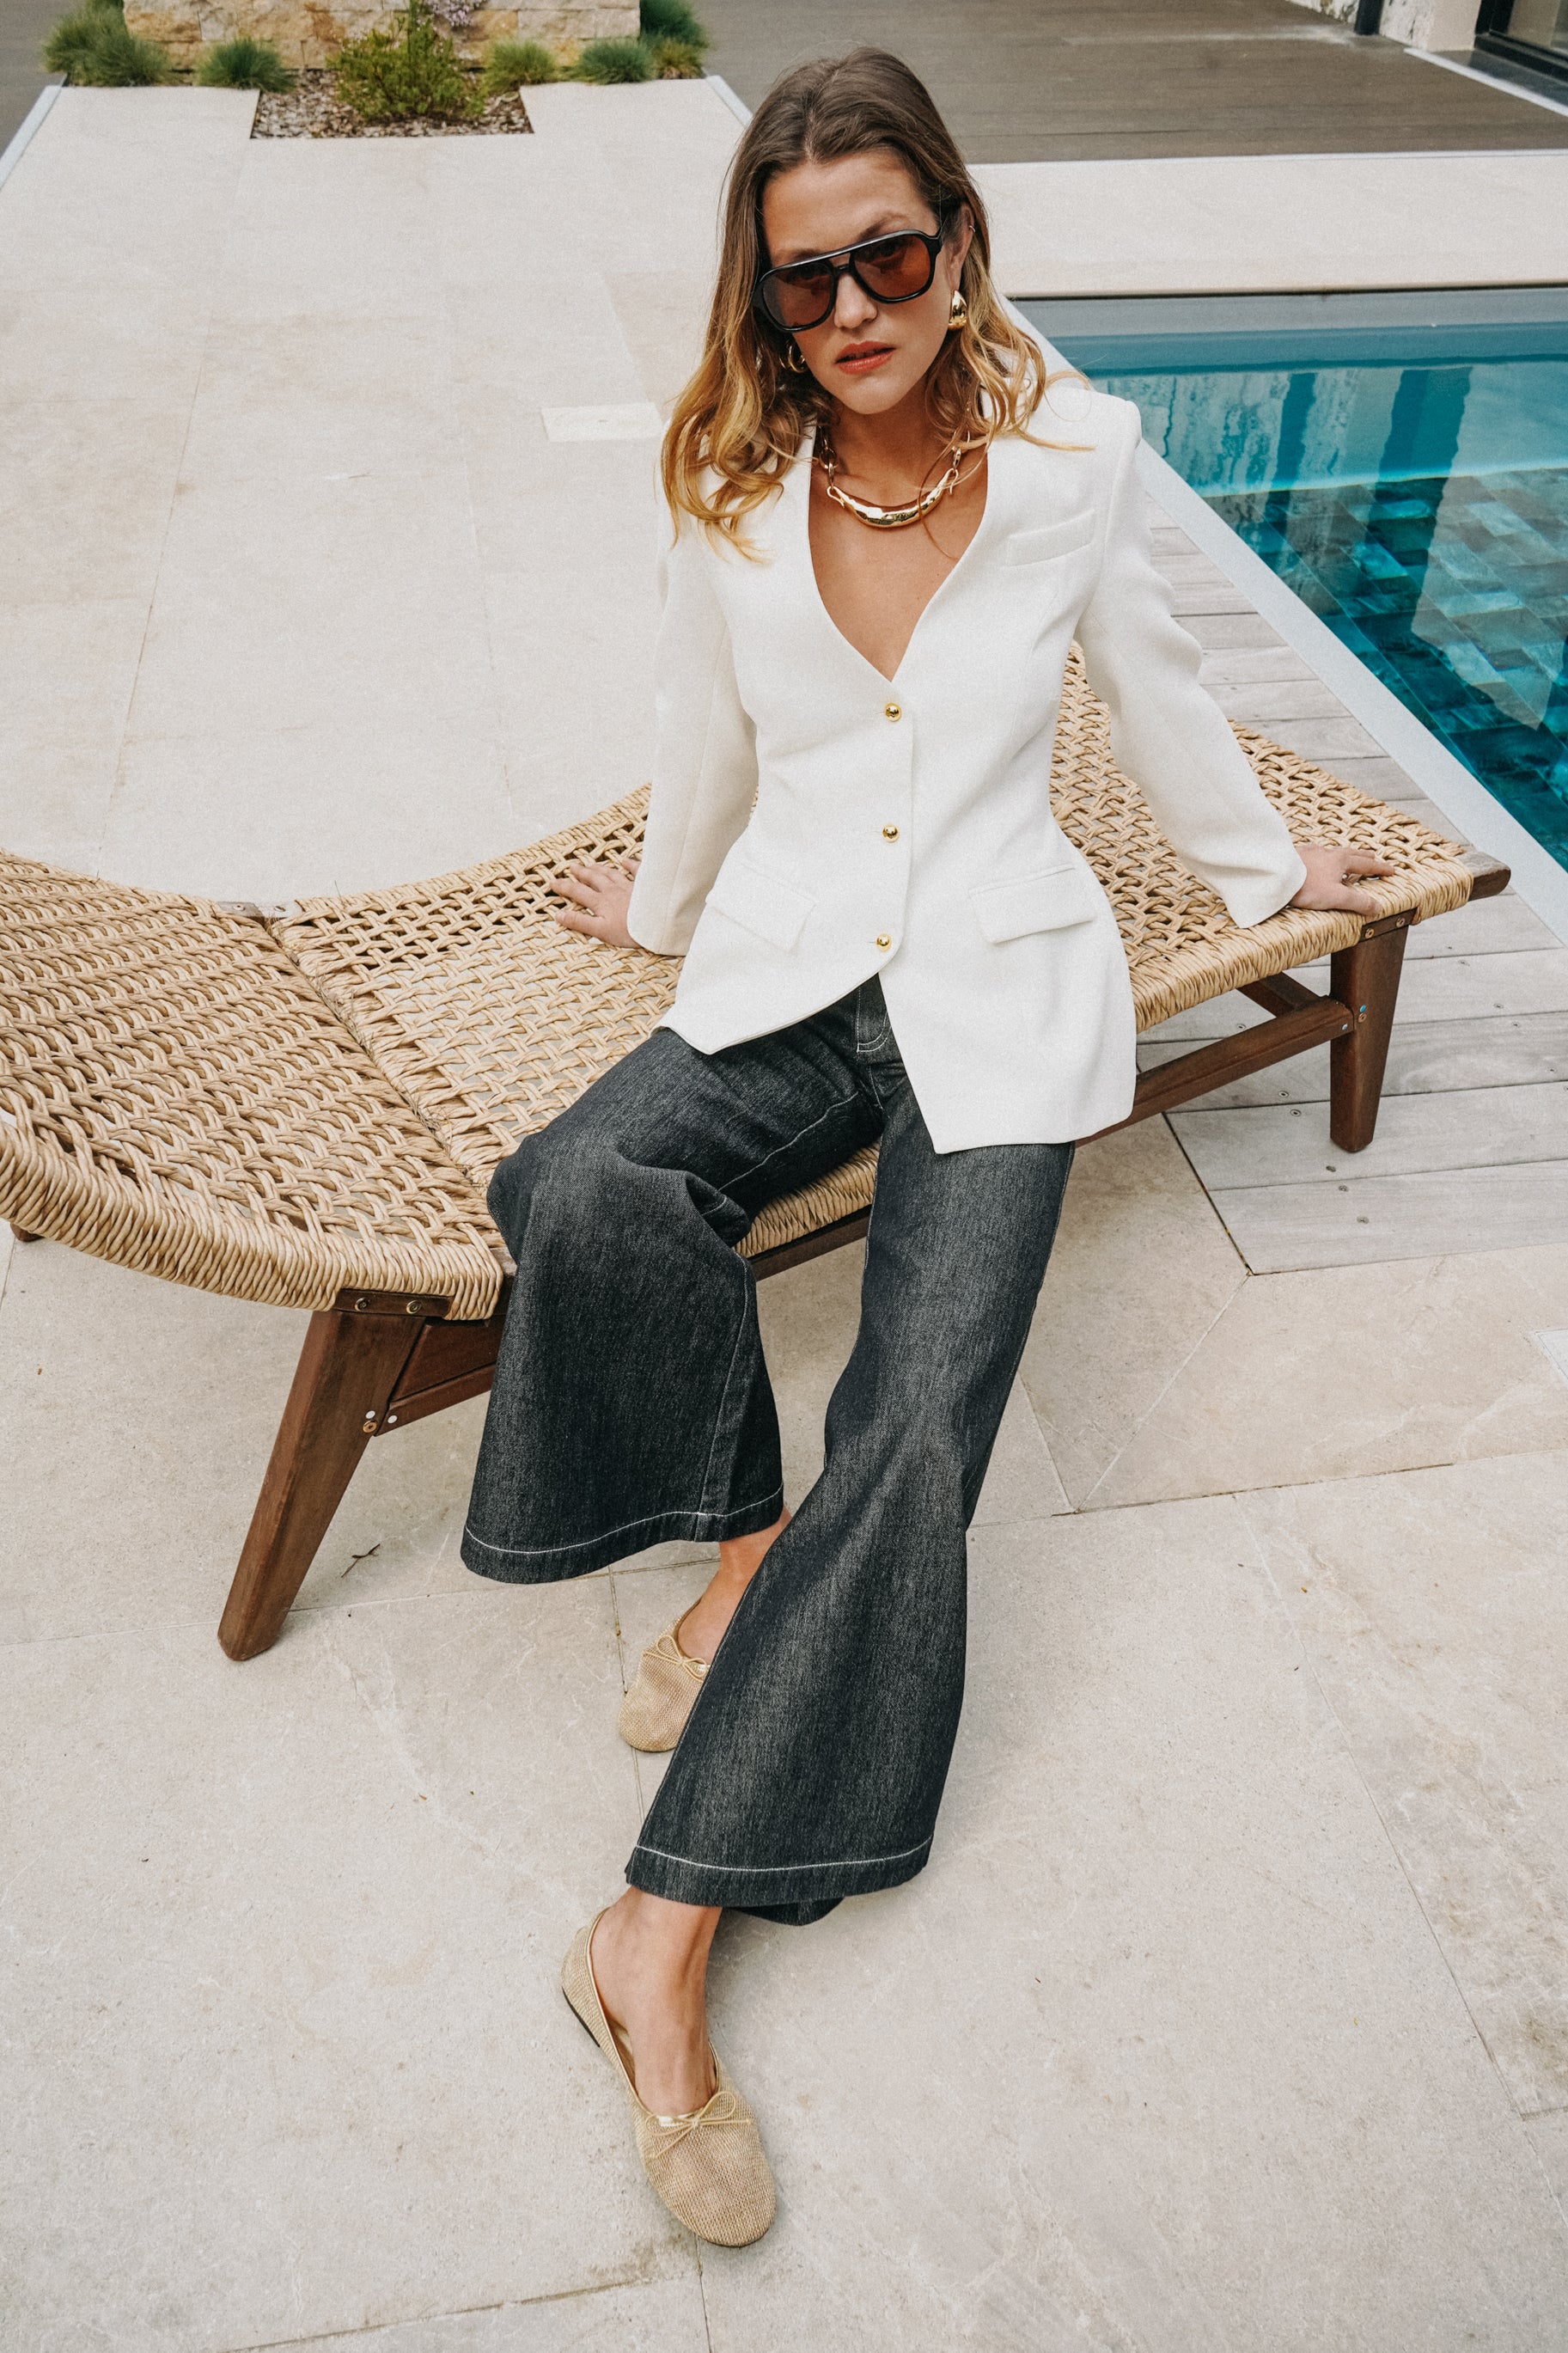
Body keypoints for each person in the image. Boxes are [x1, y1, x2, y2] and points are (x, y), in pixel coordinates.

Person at [461, 46, 1391, 2247]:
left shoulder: (1075, 459)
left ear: (958, 242)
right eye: (804, 280)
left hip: (997, 983)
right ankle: (735, 1547)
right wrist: (657, 909)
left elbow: (1157, 679)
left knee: (917, 1439)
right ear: (763, 297)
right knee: (578, 1183)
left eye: (887, 256)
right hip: (791, 965)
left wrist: (1269, 874)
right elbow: (702, 734)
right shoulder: (728, 488)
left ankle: (654, 1942)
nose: (853, 309)